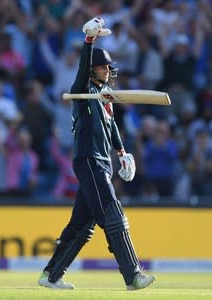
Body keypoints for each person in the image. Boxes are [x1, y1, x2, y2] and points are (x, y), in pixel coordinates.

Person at [37, 17, 156, 291]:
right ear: (92, 70)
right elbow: (81, 72)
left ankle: (51, 275)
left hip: (102, 162)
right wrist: (89, 41)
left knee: (82, 225)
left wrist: (122, 152)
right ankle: (133, 275)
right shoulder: (82, 91)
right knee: (112, 214)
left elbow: (112, 126)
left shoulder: (104, 96)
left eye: (108, 67)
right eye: (102, 67)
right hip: (88, 159)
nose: (107, 71)